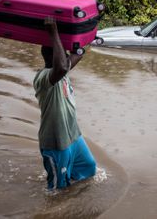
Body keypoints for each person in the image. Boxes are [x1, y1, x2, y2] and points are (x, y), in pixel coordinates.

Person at [33, 16, 96, 190]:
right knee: (56, 190)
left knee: (89, 169)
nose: (67, 57)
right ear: (53, 58)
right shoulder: (43, 78)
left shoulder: (62, 71)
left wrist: (89, 35)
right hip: (56, 142)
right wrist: (53, 33)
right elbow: (61, 66)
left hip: (73, 136)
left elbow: (74, 58)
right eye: (63, 53)